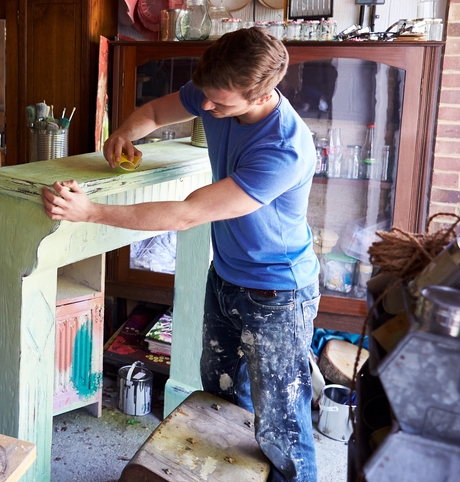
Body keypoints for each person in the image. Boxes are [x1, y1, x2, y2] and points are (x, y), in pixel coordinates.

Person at [41, 27, 320, 482]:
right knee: (223, 406)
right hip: (227, 277)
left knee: (282, 433)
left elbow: (188, 213)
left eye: (220, 104)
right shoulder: (213, 92)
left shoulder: (284, 148)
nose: (206, 108)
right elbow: (154, 110)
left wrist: (90, 211)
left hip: (278, 295)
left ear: (261, 93)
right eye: (204, 96)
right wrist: (125, 133)